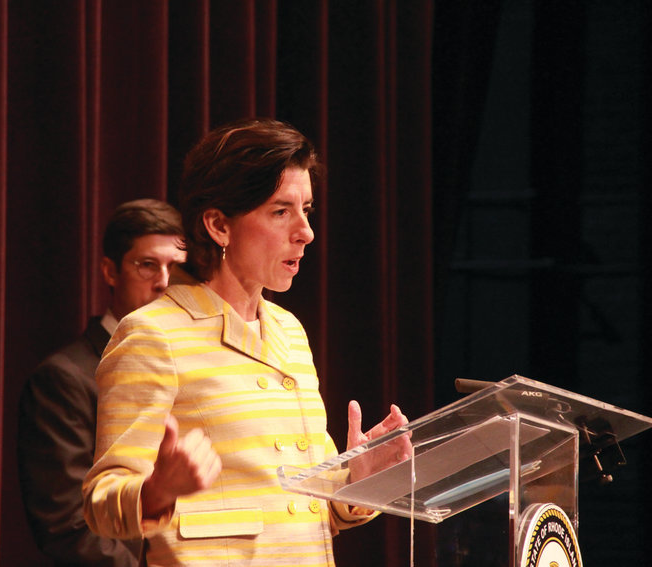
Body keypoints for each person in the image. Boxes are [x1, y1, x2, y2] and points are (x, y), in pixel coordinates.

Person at [82, 118, 411, 566]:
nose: (305, 232)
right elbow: (101, 502)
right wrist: (157, 489)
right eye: (281, 212)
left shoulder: (289, 331)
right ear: (219, 225)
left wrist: (358, 478)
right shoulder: (153, 334)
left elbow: (299, 507)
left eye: (307, 210)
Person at [18, 198, 187, 566]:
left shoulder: (194, 365)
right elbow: (67, 526)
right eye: (147, 265)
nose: (164, 282)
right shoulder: (64, 378)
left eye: (175, 267)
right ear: (110, 272)